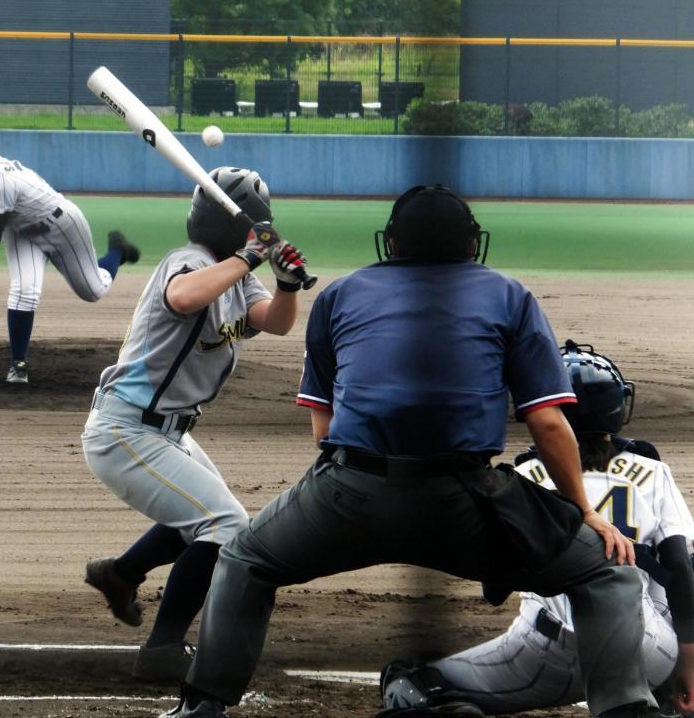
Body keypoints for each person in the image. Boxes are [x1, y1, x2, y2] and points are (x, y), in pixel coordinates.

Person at [165, 184, 658, 718]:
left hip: (349, 491)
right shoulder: (509, 296)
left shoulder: (340, 295)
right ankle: (625, 709)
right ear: (473, 244)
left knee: (244, 558)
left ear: (391, 244)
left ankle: (203, 707)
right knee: (607, 573)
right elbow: (548, 421)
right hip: (466, 500)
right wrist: (584, 512)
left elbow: (322, 432)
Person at [379, 340, 694, 717]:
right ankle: (659, 703)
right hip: (646, 651)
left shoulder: (523, 477)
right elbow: (680, 567)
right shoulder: (652, 471)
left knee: (410, 684)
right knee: (662, 566)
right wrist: (689, 662)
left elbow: (493, 589)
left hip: (548, 654)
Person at [80, 166, 309, 683]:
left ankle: (120, 574)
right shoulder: (188, 262)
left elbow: (273, 321)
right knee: (223, 526)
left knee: (211, 518)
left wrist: (287, 283)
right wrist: (249, 255)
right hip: (126, 430)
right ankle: (162, 648)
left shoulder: (236, 275)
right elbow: (183, 298)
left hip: (168, 432)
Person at [0, 123, 140, 383]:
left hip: (61, 224)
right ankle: (18, 365)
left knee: (93, 290)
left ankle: (116, 251)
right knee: (24, 291)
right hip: (21, 232)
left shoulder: (1, 180)